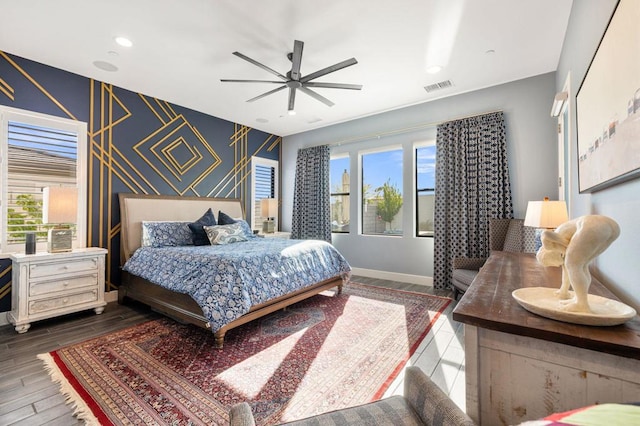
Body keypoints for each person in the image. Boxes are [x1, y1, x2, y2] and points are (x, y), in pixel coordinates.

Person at [536, 215, 620, 313]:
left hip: (592, 225)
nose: (557, 265)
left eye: (551, 263)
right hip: (612, 227)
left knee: (573, 264)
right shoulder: (558, 248)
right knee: (581, 265)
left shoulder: (549, 244)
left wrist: (565, 247)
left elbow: (546, 234)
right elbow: (567, 268)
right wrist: (563, 291)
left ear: (547, 256)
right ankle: (579, 299)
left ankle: (581, 304)